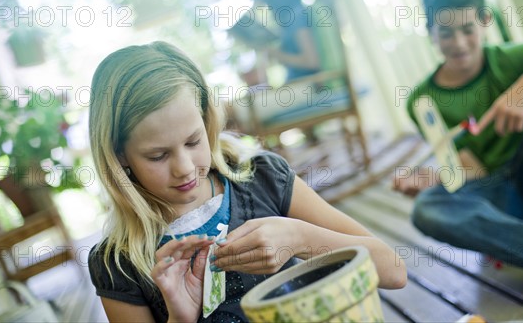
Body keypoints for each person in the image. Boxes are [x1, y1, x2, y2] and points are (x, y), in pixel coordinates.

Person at [87, 41, 406, 322]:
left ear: (206, 119)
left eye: (193, 141)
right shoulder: (117, 261)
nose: (184, 169)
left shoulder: (263, 179)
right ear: (119, 155)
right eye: (157, 155)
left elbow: (392, 270)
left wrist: (300, 237)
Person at [391, 0, 523, 322]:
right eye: (445, 33)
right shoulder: (423, 100)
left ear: (485, 21)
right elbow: (469, 169)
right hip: (501, 195)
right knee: (427, 207)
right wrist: (434, 178)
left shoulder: (506, 60)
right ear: (430, 32)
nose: (459, 43)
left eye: (468, 29)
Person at [252, 0, 321, 81]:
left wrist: (275, 54)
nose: (269, 7)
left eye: (267, 1)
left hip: (308, 85)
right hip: (296, 83)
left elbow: (311, 61)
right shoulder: (289, 19)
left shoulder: (296, 16)